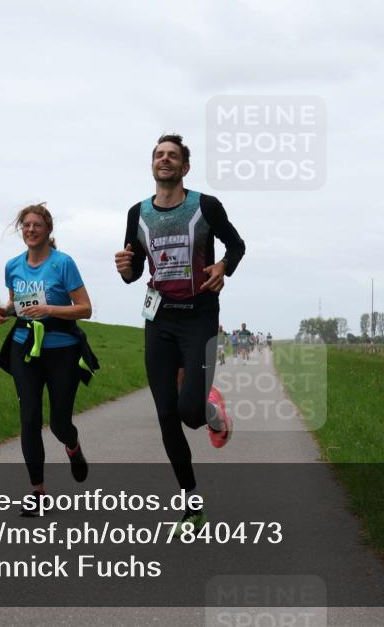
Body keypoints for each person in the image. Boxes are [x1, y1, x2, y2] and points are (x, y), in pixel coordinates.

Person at [114, 134, 245, 532]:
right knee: (167, 416)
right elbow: (134, 271)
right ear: (152, 165)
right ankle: (191, 503)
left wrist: (223, 268)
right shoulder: (137, 213)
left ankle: (211, 411)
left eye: (172, 155)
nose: (164, 159)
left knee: (190, 413)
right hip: (160, 318)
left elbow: (236, 246)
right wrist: (125, 270)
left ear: (185, 167)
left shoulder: (205, 206)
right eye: (158, 154)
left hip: (199, 316)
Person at [0, 203, 93, 516]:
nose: (31, 230)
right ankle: (37, 492)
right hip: (25, 347)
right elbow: (17, 301)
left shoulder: (63, 264)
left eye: (37, 225)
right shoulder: (13, 265)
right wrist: (5, 311)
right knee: (29, 419)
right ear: (20, 229)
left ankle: (73, 447)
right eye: (26, 225)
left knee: (60, 423)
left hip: (62, 349)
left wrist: (50, 310)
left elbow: (85, 308)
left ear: (48, 230)